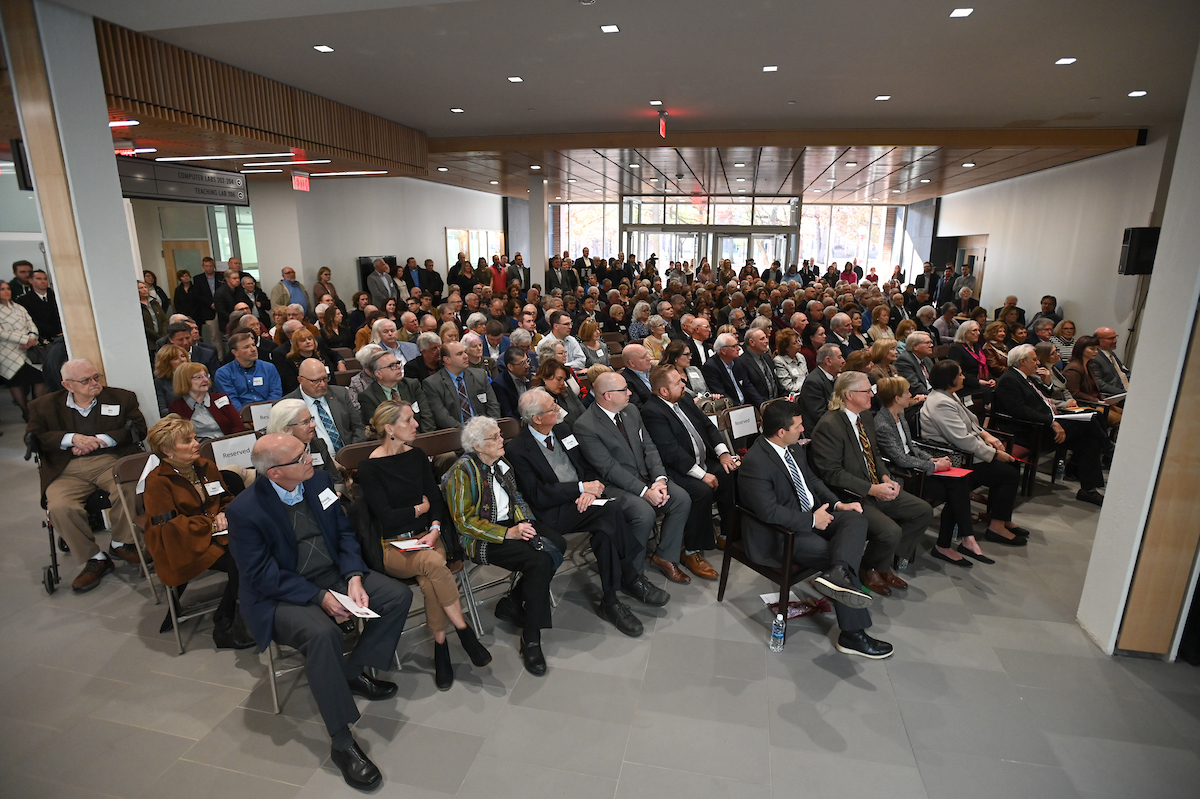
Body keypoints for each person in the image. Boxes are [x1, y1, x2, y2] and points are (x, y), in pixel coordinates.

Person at [228, 433, 412, 790]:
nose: (309, 458)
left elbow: (344, 534)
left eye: (306, 452)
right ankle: (342, 743)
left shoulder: (319, 482)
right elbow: (260, 575)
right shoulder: (244, 511)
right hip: (281, 594)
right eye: (299, 457)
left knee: (395, 596)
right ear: (275, 474)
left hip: (332, 574)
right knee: (322, 633)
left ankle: (352, 671)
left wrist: (354, 576)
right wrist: (319, 596)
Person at [354, 401, 491, 688]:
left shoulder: (416, 456)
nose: (416, 425)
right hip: (394, 547)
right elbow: (387, 519)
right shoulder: (368, 468)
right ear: (390, 429)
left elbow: (435, 499)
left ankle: (440, 648)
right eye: (408, 421)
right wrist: (418, 511)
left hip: (428, 536)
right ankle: (464, 631)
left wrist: (434, 527)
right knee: (432, 564)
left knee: (430, 580)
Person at [507, 389, 667, 635]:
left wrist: (589, 492)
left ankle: (611, 600)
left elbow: (587, 467)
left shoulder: (562, 430)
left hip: (584, 503)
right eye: (552, 408)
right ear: (536, 418)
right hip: (551, 513)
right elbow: (539, 494)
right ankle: (631, 576)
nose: (559, 410)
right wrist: (580, 488)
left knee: (606, 531)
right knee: (612, 510)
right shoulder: (518, 449)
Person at [738, 399, 890, 657]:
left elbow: (812, 481)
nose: (803, 430)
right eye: (798, 426)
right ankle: (853, 635)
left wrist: (839, 504)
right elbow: (769, 512)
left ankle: (839, 574)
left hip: (812, 515)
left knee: (855, 520)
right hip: (780, 533)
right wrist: (811, 521)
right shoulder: (756, 462)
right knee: (835, 553)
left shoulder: (794, 449)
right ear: (781, 432)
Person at [444, 416, 565, 676]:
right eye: (495, 438)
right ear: (476, 445)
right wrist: (508, 532)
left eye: (501, 435)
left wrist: (526, 524)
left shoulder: (501, 463)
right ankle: (531, 638)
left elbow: (517, 498)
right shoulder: (461, 472)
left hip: (511, 524)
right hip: (480, 538)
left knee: (557, 543)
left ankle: (514, 601)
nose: (502, 441)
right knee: (539, 560)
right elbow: (464, 522)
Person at [26, 359, 148, 592]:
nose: (94, 383)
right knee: (60, 507)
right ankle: (95, 559)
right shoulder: (44, 406)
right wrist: (71, 439)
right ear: (67, 385)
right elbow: (35, 437)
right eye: (86, 380)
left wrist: (100, 440)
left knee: (129, 486)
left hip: (109, 460)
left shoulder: (122, 398)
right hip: (65, 467)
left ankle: (121, 542)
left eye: (96, 377)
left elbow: (138, 429)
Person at [810, 371, 934, 590]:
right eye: (867, 391)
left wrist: (886, 476)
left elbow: (875, 453)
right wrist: (872, 489)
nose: (872, 395)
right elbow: (832, 474)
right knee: (890, 531)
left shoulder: (865, 416)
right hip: (849, 494)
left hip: (876, 484)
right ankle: (869, 567)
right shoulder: (829, 425)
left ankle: (882, 563)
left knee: (922, 510)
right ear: (849, 395)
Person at [142, 415, 254, 649]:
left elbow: (226, 498)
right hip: (182, 544)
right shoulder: (157, 482)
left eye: (194, 438)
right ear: (167, 450)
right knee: (241, 558)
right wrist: (211, 524)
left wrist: (226, 512)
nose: (196, 444)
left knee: (251, 550)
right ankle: (225, 624)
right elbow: (169, 527)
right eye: (187, 441)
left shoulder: (206, 466)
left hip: (217, 534)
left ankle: (240, 611)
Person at [576, 371, 694, 584]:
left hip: (646, 478)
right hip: (614, 485)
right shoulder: (586, 425)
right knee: (643, 512)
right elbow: (609, 468)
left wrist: (659, 479)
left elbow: (649, 446)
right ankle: (632, 574)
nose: (630, 392)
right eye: (624, 390)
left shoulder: (631, 411)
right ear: (608, 395)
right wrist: (644, 492)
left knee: (681, 498)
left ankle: (665, 556)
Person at [642, 365, 738, 575]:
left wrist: (723, 453)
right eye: (678, 383)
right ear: (664, 391)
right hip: (677, 470)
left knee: (729, 472)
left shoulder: (684, 399)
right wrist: (702, 475)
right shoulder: (652, 411)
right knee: (700, 491)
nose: (684, 384)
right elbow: (671, 452)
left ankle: (727, 534)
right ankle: (692, 550)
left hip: (702, 460)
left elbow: (708, 426)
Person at [993, 344, 1109, 506]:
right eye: (1034, 359)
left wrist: (1047, 382)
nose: (1038, 362)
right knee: (1090, 422)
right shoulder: (1010, 380)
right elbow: (1019, 411)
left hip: (1045, 422)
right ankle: (1109, 450)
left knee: (1089, 436)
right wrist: (1052, 422)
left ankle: (1088, 490)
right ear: (1022, 361)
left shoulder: (1024, 377)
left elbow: (1044, 397)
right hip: (1030, 430)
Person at [286, 357, 366, 448]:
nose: (323, 384)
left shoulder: (340, 394)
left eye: (325, 378)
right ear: (301, 380)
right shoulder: (287, 405)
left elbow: (358, 427)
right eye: (316, 381)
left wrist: (351, 451)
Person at [423, 340, 500, 430]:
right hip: (455, 435)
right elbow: (442, 418)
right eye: (460, 354)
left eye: (465, 352)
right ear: (447, 359)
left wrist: (488, 427)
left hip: (485, 430)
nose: (466, 356)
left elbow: (493, 406)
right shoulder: (433, 384)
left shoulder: (480, 375)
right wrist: (468, 432)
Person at [356, 347, 434, 434]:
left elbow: (427, 416)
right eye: (391, 366)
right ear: (379, 374)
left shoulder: (412, 385)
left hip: (420, 436)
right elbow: (378, 428)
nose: (398, 367)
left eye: (398, 363)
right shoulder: (368, 396)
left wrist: (425, 439)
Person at [0, 280, 47, 419]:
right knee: (15, 381)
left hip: (28, 348)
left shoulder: (18, 307)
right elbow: (1, 332)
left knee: (40, 378)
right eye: (2, 289)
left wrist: (32, 339)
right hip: (7, 350)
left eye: (8, 288)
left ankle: (38, 410)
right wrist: (24, 339)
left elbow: (31, 324)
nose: (7, 291)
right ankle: (26, 411)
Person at [166, 362, 245, 440]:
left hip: (228, 446)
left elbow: (238, 426)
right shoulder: (177, 407)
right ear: (184, 381)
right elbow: (180, 438)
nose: (205, 380)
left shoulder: (221, 398)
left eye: (206, 375)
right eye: (198, 377)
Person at [214, 331, 283, 410]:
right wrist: (247, 416)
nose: (253, 349)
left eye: (253, 345)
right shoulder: (223, 373)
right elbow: (231, 400)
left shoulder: (269, 368)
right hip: (241, 417)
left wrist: (265, 413)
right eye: (246, 347)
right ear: (235, 352)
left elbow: (275, 393)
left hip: (269, 413)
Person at [1064, 336, 1123, 427]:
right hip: (1084, 404)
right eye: (1092, 349)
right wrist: (1097, 401)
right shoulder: (1073, 368)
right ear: (1081, 349)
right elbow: (1074, 393)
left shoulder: (1088, 366)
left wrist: (1105, 400)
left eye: (1096, 349)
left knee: (1126, 415)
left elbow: (1094, 390)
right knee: (1120, 421)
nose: (1096, 352)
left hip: (1095, 402)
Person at [702, 333, 764, 407]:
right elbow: (721, 394)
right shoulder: (711, 367)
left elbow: (748, 386)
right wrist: (740, 408)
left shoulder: (737, 361)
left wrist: (761, 405)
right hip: (730, 409)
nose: (739, 348)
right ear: (723, 351)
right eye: (734, 346)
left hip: (746, 405)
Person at [799, 343, 844, 432]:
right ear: (828, 361)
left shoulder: (834, 378)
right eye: (839, 357)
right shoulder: (813, 383)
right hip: (821, 431)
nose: (843, 361)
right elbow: (820, 415)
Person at [532, 357, 586, 428]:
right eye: (559, 379)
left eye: (563, 379)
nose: (562, 383)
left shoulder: (566, 391)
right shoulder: (539, 400)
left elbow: (582, 410)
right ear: (545, 378)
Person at [739, 327, 780, 401]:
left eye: (766, 338)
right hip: (760, 406)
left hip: (777, 401)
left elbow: (776, 381)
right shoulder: (742, 362)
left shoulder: (767, 357)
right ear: (752, 342)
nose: (767, 341)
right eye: (762, 339)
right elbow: (749, 389)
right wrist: (763, 405)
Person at [1090, 327, 1131, 396]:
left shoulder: (1110, 353)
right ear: (1097, 340)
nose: (1115, 341)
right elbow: (1099, 383)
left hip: (1126, 391)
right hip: (1114, 395)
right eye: (1111, 338)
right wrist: (1124, 393)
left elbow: (1123, 371)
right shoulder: (1094, 357)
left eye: (1115, 337)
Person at [493, 345, 531, 419]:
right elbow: (507, 414)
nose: (527, 366)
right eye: (523, 363)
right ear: (510, 367)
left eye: (527, 361)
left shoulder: (529, 376)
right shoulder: (499, 385)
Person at [895, 331, 934, 398]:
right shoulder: (904, 361)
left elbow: (936, 380)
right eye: (927, 343)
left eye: (931, 342)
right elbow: (914, 386)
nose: (931, 345)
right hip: (919, 399)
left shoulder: (926, 359)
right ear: (915, 346)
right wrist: (933, 397)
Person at [771, 328, 809, 395]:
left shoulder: (800, 357)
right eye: (795, 343)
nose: (799, 344)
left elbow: (807, 376)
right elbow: (788, 386)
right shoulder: (779, 361)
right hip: (794, 395)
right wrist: (807, 388)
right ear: (786, 347)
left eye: (798, 341)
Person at [139, 280, 168, 358]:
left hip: (162, 339)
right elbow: (142, 326)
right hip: (149, 341)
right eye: (141, 288)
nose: (144, 289)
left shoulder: (154, 302)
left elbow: (164, 319)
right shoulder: (137, 306)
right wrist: (158, 337)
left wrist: (163, 335)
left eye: (145, 287)